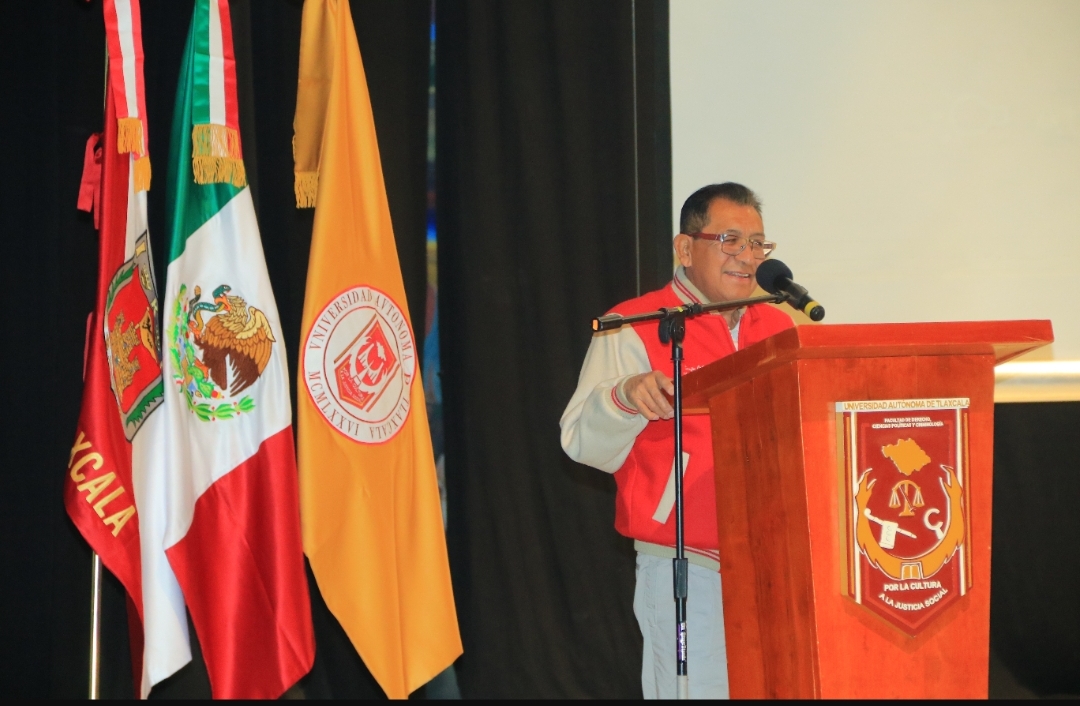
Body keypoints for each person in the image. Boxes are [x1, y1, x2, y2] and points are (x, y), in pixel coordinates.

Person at [559, 183, 794, 699]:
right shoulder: (634, 325)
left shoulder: (779, 328)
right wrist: (623, 397)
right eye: (729, 239)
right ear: (685, 249)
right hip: (690, 567)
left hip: (780, 563)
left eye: (757, 244)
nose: (747, 256)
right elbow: (580, 442)